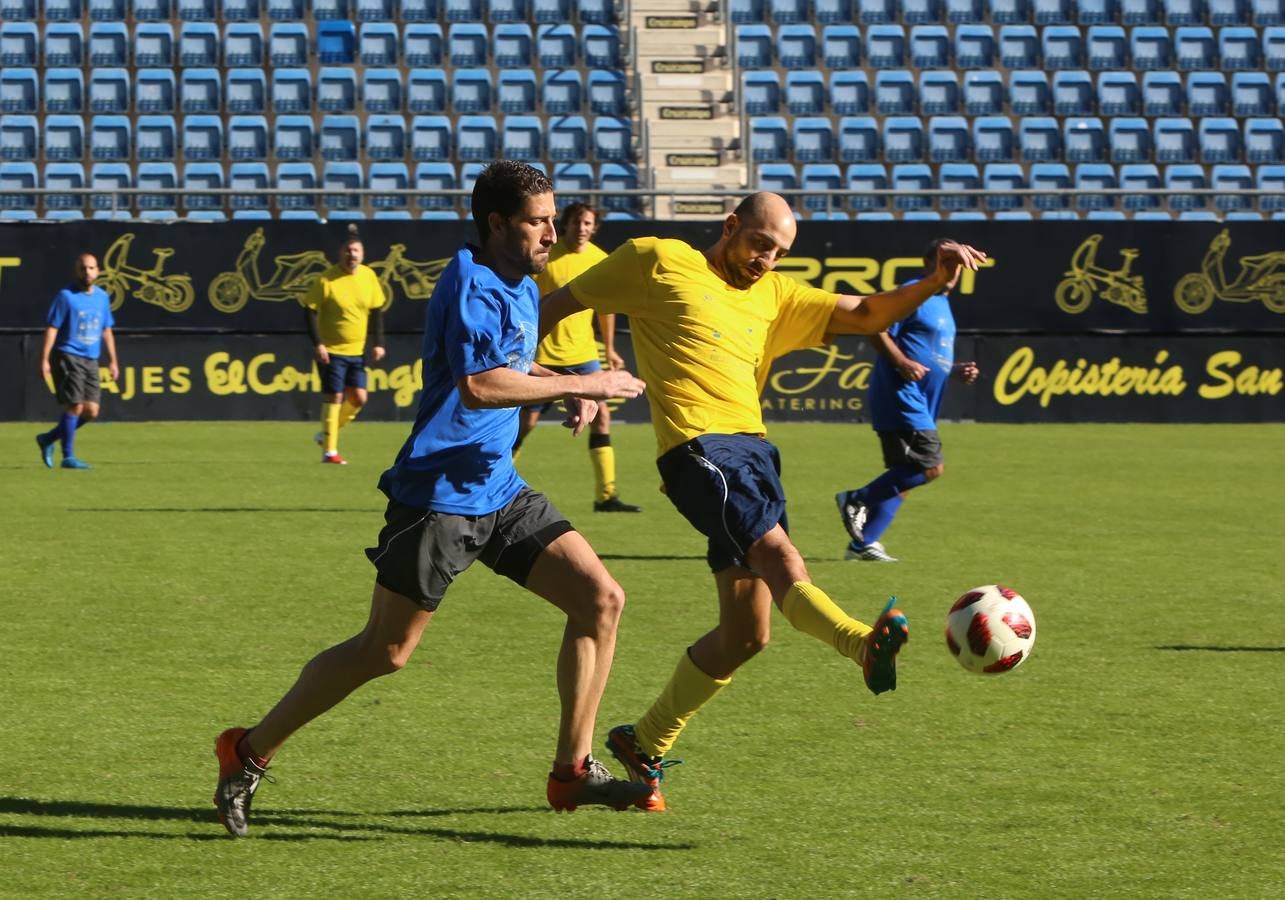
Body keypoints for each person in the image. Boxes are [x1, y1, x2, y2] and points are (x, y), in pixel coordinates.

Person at [212, 161, 651, 837]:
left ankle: (571, 772)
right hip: (438, 496)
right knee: (384, 652)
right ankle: (246, 750)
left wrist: (561, 381)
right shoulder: (473, 281)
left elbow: (511, 363)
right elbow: (480, 385)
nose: (550, 231)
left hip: (498, 489)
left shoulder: (521, 280)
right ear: (498, 223)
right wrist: (587, 387)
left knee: (601, 599)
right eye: (537, 221)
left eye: (551, 219)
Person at [539, 192, 986, 811]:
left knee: (747, 633)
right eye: (759, 245)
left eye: (779, 253)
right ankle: (860, 642)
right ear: (729, 226)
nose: (766, 261)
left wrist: (934, 281)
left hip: (753, 455)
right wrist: (544, 380)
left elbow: (864, 314)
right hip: (699, 450)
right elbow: (554, 305)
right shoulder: (656, 260)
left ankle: (643, 741)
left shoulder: (775, 295)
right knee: (781, 557)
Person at [835, 239, 981, 563]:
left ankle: (863, 543)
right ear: (930, 263)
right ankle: (855, 500)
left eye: (959, 266)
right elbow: (874, 327)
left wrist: (953, 370)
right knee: (930, 467)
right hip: (901, 396)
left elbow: (927, 352)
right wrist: (901, 362)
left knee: (902, 476)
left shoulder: (941, 301)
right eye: (950, 263)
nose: (954, 273)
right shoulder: (915, 291)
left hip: (920, 400)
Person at [511, 202, 641, 513]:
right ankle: (492, 475)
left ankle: (606, 495)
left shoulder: (600, 260)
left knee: (602, 416)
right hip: (543, 352)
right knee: (525, 422)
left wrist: (609, 348)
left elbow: (605, 308)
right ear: (566, 225)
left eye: (588, 223)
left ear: (593, 228)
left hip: (582, 353)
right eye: (578, 222)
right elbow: (530, 300)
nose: (582, 228)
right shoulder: (546, 256)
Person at [302, 226, 386, 465]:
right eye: (348, 250)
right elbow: (308, 309)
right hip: (331, 351)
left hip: (356, 351)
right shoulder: (327, 279)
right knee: (334, 398)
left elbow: (377, 309)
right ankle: (329, 451)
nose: (352, 254)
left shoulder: (368, 276)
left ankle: (327, 434)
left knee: (359, 398)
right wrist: (318, 344)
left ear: (363, 253)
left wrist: (379, 343)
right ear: (341, 253)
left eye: (356, 250)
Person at [35, 253, 119, 471]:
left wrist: (113, 361)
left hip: (91, 358)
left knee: (91, 411)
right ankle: (68, 457)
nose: (87, 272)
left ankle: (47, 439)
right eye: (83, 268)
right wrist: (44, 359)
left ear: (98, 270)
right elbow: (52, 328)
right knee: (74, 405)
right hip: (67, 354)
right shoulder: (66, 296)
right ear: (77, 271)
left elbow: (106, 330)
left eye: (91, 268)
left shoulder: (102, 297)